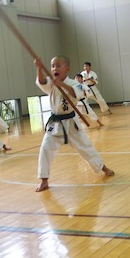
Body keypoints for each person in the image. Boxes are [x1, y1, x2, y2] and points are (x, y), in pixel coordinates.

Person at [34, 56, 114, 192]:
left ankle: (102, 167)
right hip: (55, 123)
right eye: (52, 66)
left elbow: (77, 94)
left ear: (67, 68)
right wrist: (39, 68)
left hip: (72, 123)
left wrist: (62, 85)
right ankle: (44, 180)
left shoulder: (74, 83)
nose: (54, 68)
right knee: (45, 148)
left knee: (85, 147)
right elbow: (41, 81)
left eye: (58, 65)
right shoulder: (51, 82)